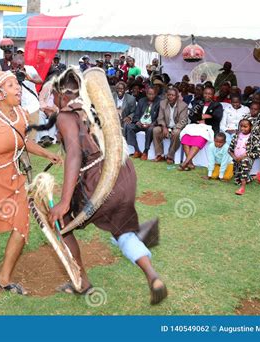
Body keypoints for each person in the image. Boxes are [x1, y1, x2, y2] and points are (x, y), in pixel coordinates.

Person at [42, 68, 167, 305]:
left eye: (53, 96)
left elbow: (75, 156)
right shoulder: (92, 106)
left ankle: (82, 282)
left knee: (62, 222)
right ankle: (152, 275)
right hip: (123, 174)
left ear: (62, 94)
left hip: (99, 179)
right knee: (121, 231)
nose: (52, 102)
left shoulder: (66, 115)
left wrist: (65, 202)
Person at [0, 70, 60, 295]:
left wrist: (46, 154)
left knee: (21, 227)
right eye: (12, 85)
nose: (18, 88)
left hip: (12, 179)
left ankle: (3, 279)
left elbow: (23, 141)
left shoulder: (21, 114)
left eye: (17, 84)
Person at [178, 86, 222, 171]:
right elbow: (192, 116)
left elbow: (217, 117)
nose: (207, 95)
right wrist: (201, 117)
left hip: (208, 127)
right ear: (203, 93)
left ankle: (185, 163)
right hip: (196, 125)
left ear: (213, 95)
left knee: (199, 138)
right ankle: (190, 163)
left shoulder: (217, 105)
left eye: (210, 94)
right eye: (205, 93)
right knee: (185, 137)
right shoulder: (198, 103)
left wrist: (205, 120)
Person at [10, 55, 42, 141]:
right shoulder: (8, 73)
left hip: (32, 107)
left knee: (31, 138)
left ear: (24, 64)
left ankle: (28, 152)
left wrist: (29, 78)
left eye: (20, 66)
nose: (18, 68)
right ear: (12, 65)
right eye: (15, 66)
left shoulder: (30, 69)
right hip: (17, 109)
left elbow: (40, 81)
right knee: (19, 137)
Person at [153, 88, 189, 163]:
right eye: (169, 95)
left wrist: (173, 129)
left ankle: (170, 156)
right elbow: (160, 118)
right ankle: (160, 155)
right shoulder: (163, 103)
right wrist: (164, 127)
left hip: (177, 127)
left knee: (176, 133)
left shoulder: (183, 105)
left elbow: (183, 121)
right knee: (156, 130)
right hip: (166, 126)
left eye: (173, 95)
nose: (170, 97)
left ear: (177, 96)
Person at [229, 119, 260, 195]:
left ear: (250, 127)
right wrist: (235, 157)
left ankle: (242, 188)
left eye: (245, 126)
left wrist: (245, 155)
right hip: (237, 160)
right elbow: (229, 150)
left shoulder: (253, 138)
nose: (243, 128)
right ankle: (256, 177)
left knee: (244, 162)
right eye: (241, 126)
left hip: (247, 159)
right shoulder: (236, 136)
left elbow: (257, 153)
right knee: (237, 181)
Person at [125, 88, 160, 160]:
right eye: (149, 94)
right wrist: (138, 121)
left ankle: (145, 151)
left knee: (150, 130)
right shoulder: (141, 101)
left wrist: (151, 124)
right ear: (146, 94)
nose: (151, 96)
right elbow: (136, 114)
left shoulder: (159, 102)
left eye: (152, 94)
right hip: (141, 123)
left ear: (156, 94)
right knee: (129, 127)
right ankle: (137, 150)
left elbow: (160, 117)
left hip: (151, 124)